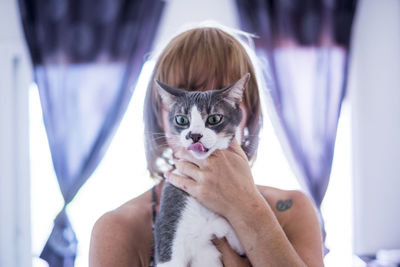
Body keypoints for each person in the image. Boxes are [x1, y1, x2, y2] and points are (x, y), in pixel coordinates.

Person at [89, 26, 324, 267]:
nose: (198, 119)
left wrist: (247, 210)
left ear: (248, 113)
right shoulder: (119, 228)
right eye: (184, 102)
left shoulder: (292, 210)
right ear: (160, 116)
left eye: (220, 99)